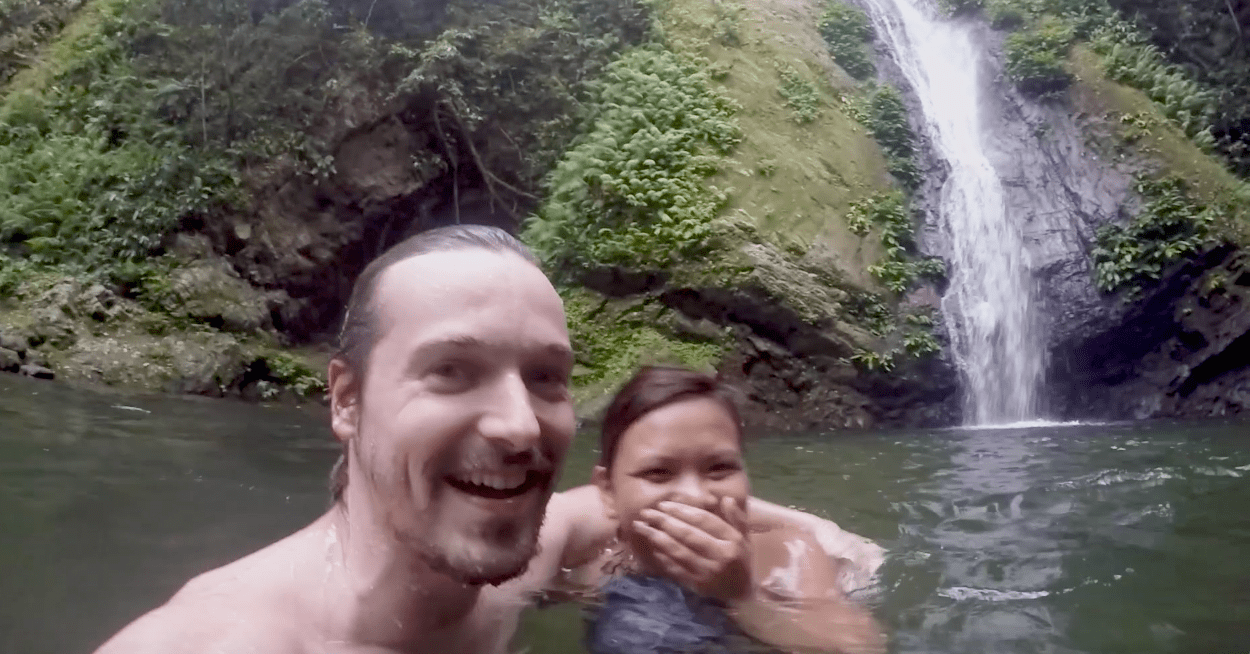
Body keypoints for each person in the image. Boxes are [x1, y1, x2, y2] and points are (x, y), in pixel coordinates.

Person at [93, 224, 882, 654]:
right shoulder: (220, 641)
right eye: (451, 371)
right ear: (347, 399)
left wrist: (808, 529)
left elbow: (616, 503)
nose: (517, 425)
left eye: (546, 378)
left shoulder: (518, 564)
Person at [561, 366, 887, 654]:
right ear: (608, 490)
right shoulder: (590, 568)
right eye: (657, 473)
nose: (696, 496)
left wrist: (742, 596)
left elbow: (860, 646)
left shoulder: (788, 554)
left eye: (719, 468)